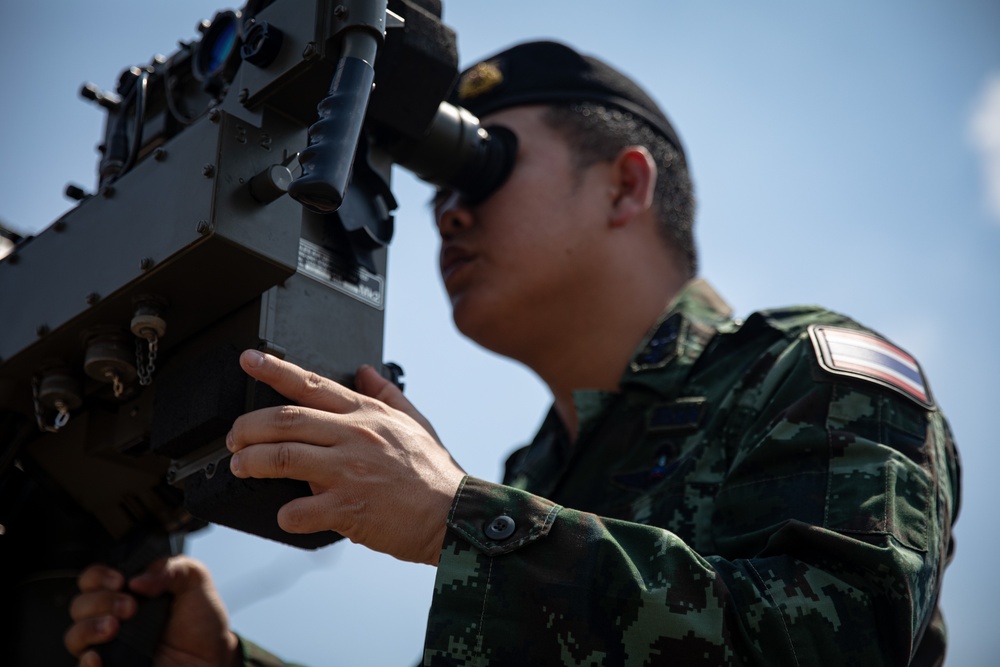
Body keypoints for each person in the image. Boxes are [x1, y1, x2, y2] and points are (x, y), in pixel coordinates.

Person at [64, 41, 960, 666]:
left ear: (625, 184)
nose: (449, 212)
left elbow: (834, 644)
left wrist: (461, 519)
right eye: (440, 189)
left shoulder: (808, 377)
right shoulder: (537, 477)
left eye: (487, 167)